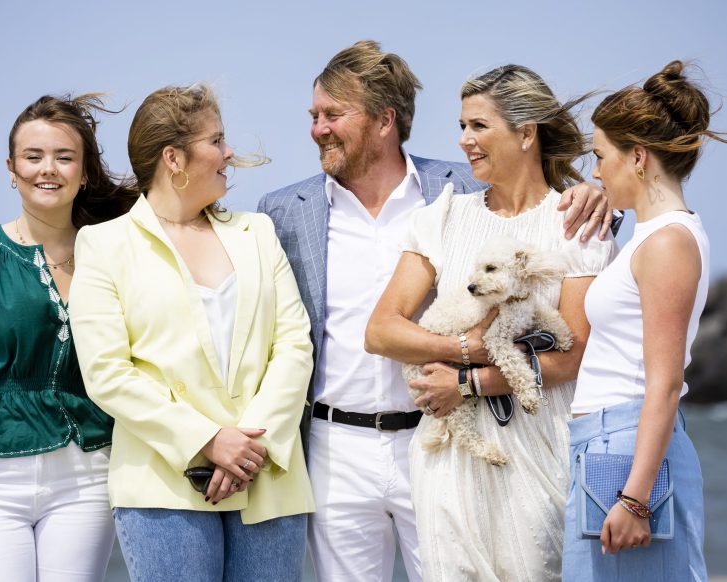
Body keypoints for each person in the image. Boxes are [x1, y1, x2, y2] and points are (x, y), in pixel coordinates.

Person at [259, 41, 612, 582]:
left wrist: (598, 197)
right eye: (314, 116)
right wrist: (469, 350)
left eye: (332, 115)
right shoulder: (283, 210)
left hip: (449, 433)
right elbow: (339, 329)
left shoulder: (458, 191)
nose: (317, 129)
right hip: (338, 448)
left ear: (384, 120)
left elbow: (562, 249)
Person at [365, 64, 618, 581]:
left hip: (540, 446)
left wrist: (468, 381)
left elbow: (572, 355)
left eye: (479, 126)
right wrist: (469, 347)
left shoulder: (577, 223)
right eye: (462, 126)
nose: (464, 141)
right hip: (450, 455)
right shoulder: (443, 217)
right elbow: (382, 330)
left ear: (527, 133)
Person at [69, 83, 315, 581]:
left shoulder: (258, 233)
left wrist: (248, 448)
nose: (229, 153)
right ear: (173, 158)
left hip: (267, 475)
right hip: (163, 485)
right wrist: (207, 440)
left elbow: (294, 345)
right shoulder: (102, 245)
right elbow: (107, 373)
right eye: (216, 140)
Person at [0, 94, 137, 581]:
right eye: (33, 156)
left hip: (89, 474)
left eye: (65, 157)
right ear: (11, 167)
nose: (49, 169)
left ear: (84, 172)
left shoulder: (112, 252)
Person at [562, 61, 727, 581]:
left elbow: (664, 384)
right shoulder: (648, 237)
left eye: (599, 157)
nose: (594, 172)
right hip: (610, 447)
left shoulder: (667, 245)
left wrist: (636, 498)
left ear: (638, 157)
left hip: (628, 451)